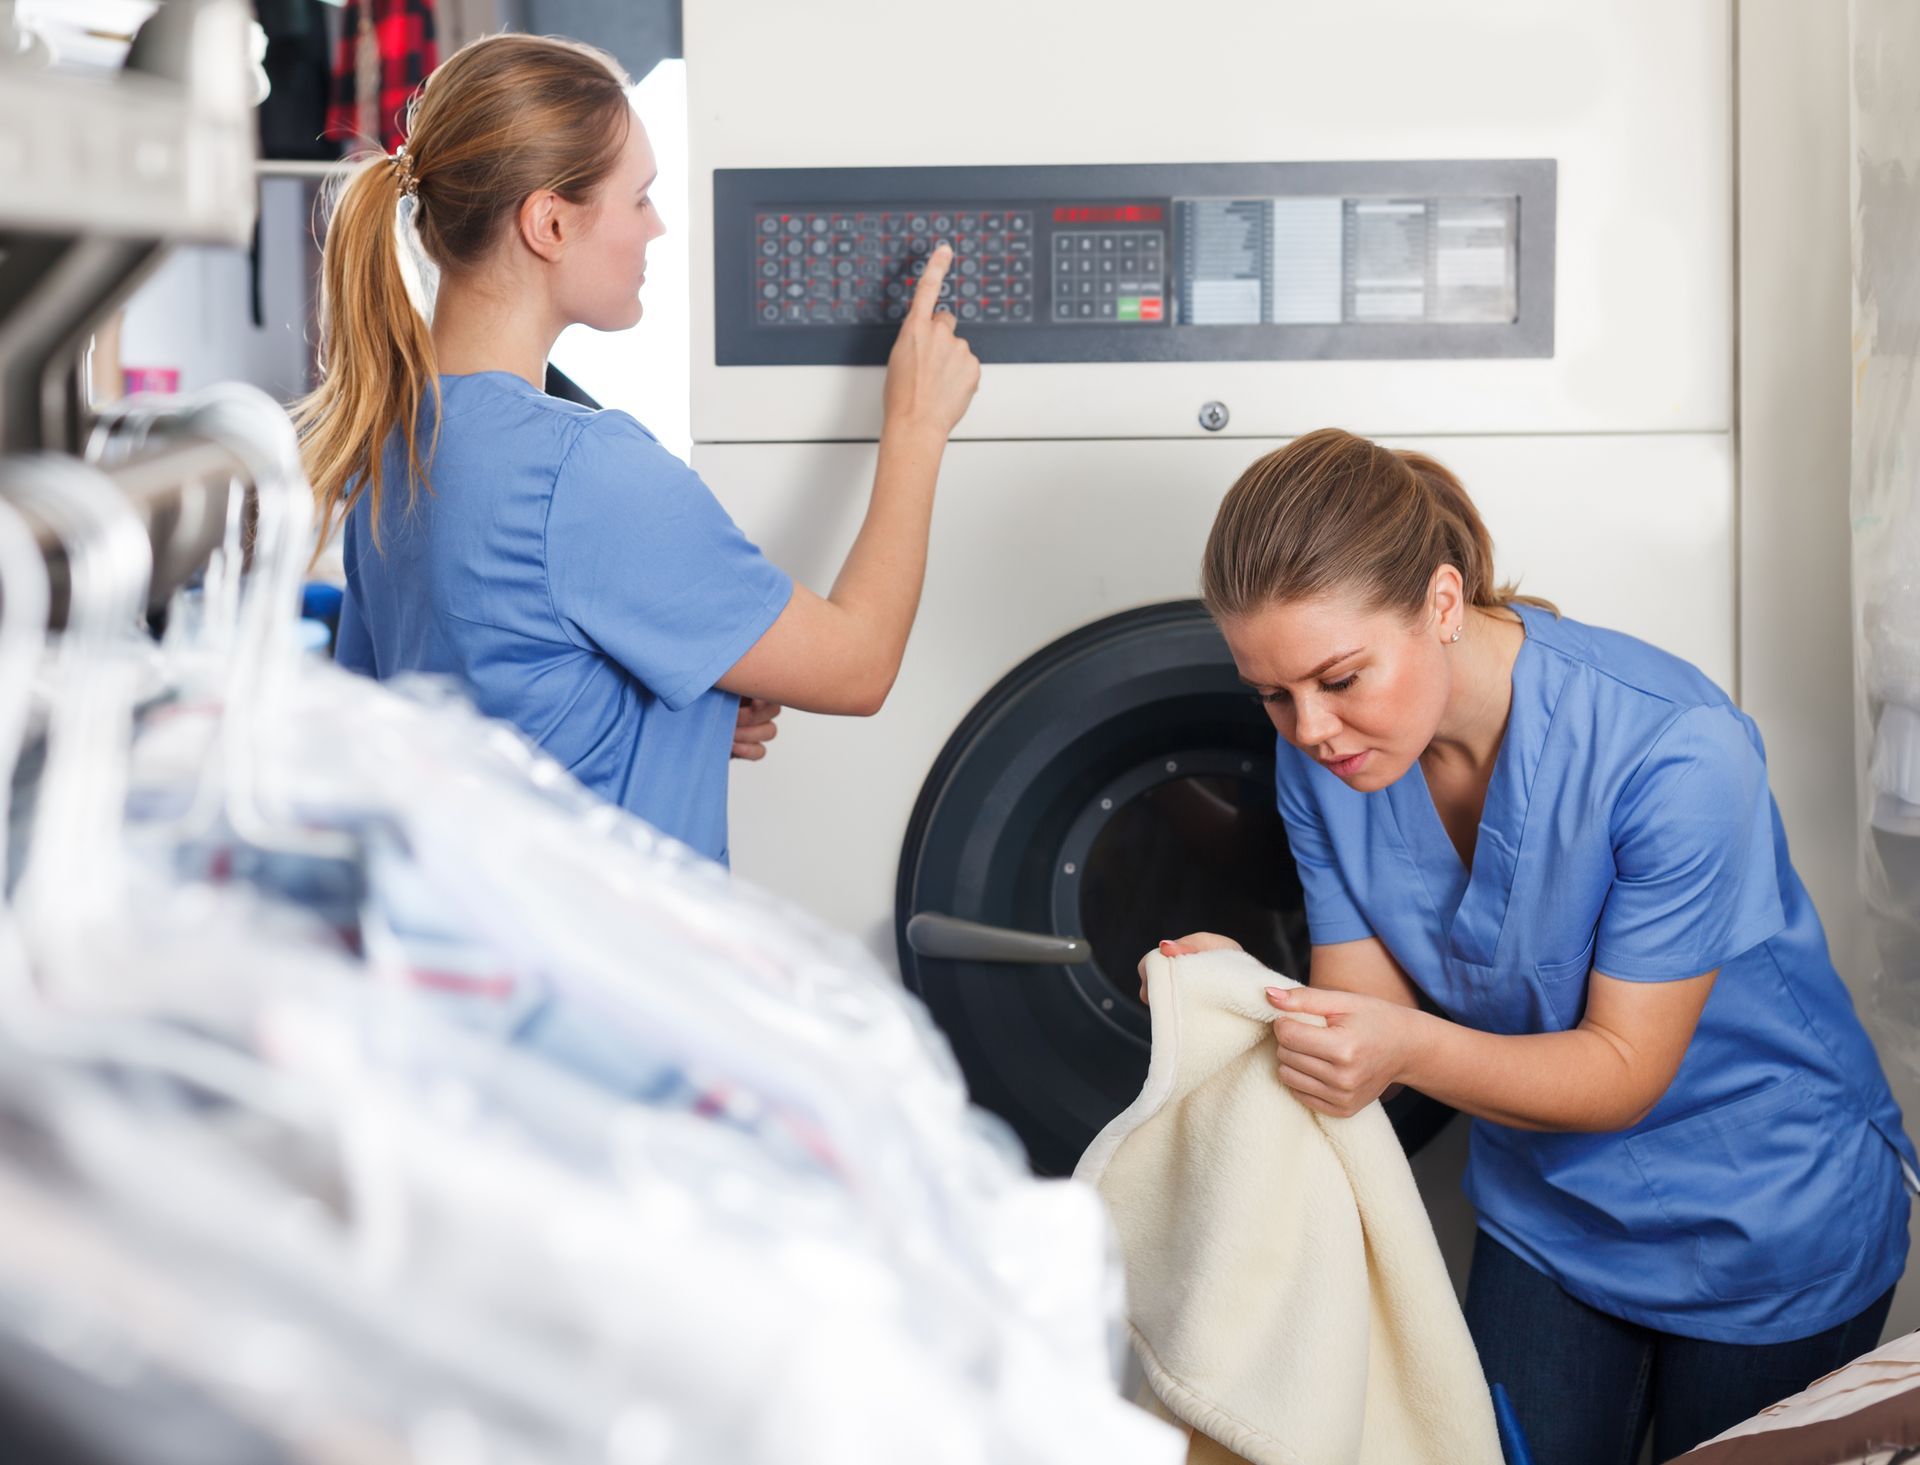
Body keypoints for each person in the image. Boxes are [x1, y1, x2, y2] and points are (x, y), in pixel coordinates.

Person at [1151, 427, 1917, 1464]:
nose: (1312, 728)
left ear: (1441, 601)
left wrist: (1400, 1046)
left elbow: (1619, 1070)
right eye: (1274, 694)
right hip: (1546, 1212)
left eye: (1339, 678)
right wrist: (1238, 993)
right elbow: (1363, 1028)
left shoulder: (1673, 748)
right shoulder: (1326, 764)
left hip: (1761, 1209)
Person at [298, 34, 978, 865]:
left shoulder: (395, 447)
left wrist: (670, 721)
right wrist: (916, 424)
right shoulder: (584, 470)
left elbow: (431, 732)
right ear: (548, 222)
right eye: (641, 198)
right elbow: (859, 665)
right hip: (612, 975)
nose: (657, 229)